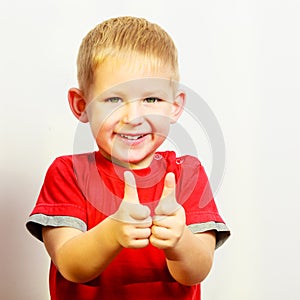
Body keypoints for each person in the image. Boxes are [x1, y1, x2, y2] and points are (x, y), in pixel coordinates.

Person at [26, 16, 230, 300]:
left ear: (174, 107)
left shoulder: (187, 174)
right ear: (81, 105)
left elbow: (196, 271)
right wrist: (112, 232)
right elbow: (71, 266)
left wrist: (179, 240)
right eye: (113, 100)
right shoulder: (67, 173)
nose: (133, 118)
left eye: (151, 100)